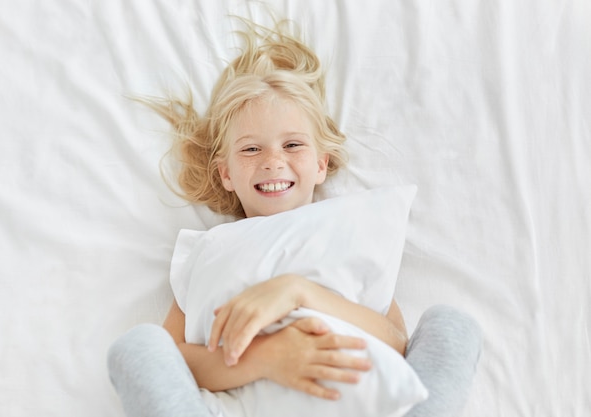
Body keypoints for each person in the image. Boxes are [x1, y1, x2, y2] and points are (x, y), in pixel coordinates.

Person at [108, 18, 482, 417]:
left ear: (321, 164)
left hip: (357, 402)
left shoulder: (349, 232)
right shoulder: (207, 251)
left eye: (292, 145)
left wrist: (298, 292)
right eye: (251, 150)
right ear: (226, 173)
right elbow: (175, 361)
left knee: (452, 325)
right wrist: (266, 357)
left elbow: (396, 344)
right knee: (137, 347)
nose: (273, 161)